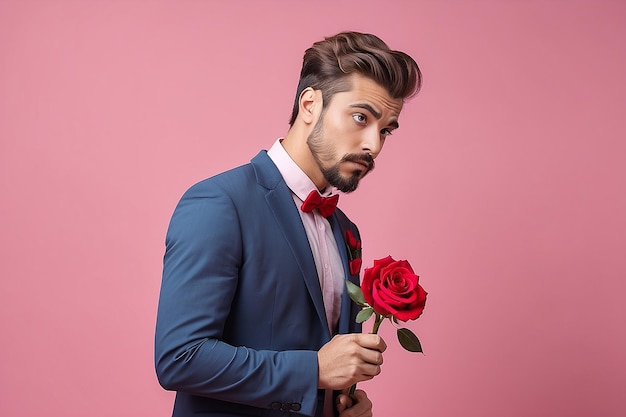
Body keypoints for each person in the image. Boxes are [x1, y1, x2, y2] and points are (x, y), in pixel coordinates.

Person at [155, 31, 422, 417]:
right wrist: (314, 370)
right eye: (360, 118)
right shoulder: (219, 203)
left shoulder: (345, 229)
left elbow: (328, 366)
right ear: (310, 104)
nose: (373, 146)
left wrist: (339, 402)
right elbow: (180, 357)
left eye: (384, 130)